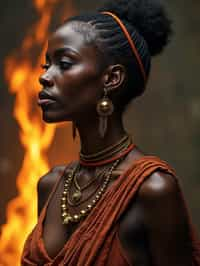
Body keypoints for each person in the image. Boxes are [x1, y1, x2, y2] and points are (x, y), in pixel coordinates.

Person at [21, 0, 200, 265]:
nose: (45, 77)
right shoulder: (50, 185)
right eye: (46, 65)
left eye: (65, 63)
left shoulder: (152, 189)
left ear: (112, 78)